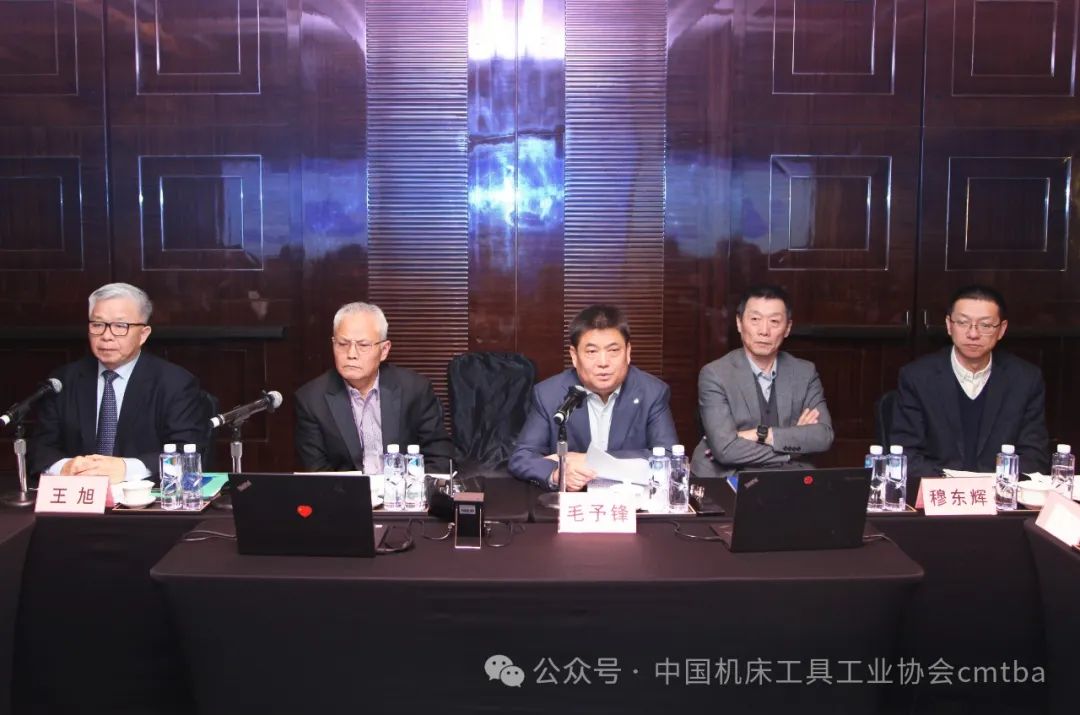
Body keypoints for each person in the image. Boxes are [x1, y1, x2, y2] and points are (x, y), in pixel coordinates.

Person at [28, 283, 209, 482]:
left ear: (143, 334)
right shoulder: (63, 381)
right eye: (98, 325)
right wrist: (64, 467)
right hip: (80, 494)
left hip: (143, 497)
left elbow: (187, 452)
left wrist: (126, 469)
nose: (106, 336)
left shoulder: (175, 383)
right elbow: (40, 448)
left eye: (120, 326)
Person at [891, 285, 1049, 486]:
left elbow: (1034, 456)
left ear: (1001, 329)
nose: (973, 334)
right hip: (939, 493)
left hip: (1001, 494)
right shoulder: (917, 377)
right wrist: (956, 486)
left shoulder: (1025, 379)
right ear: (949, 325)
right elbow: (906, 454)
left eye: (985, 325)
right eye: (963, 322)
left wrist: (991, 486)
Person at [509, 304, 679, 491]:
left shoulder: (652, 392)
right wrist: (557, 474)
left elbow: (669, 457)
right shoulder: (549, 394)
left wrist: (591, 460)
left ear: (628, 352)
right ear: (574, 356)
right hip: (575, 501)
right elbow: (522, 458)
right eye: (591, 352)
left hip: (630, 498)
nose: (603, 363)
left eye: (613, 350)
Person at [690, 285, 833, 479]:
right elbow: (725, 449)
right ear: (739, 323)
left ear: (787, 328)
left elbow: (823, 436)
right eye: (755, 320)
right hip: (728, 477)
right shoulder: (715, 374)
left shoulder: (804, 372)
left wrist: (761, 434)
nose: (764, 331)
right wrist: (792, 447)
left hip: (787, 478)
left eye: (774, 321)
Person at [294, 302, 452, 472]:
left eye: (363, 345)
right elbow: (317, 472)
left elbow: (440, 457)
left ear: (384, 350)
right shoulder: (311, 400)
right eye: (342, 344)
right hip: (346, 489)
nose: (351, 354)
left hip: (404, 488)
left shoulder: (414, 389)